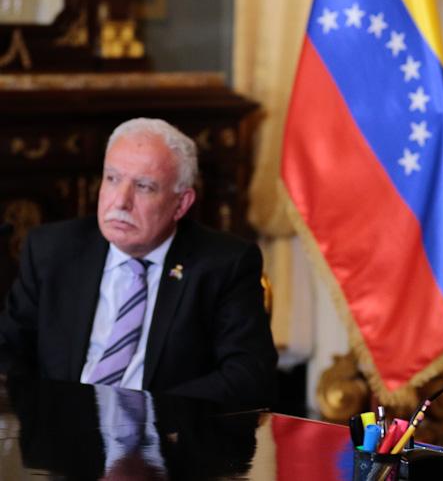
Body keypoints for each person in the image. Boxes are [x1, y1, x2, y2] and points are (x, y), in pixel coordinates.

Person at [0, 118, 277, 408]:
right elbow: (8, 349)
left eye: (144, 186)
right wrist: (44, 413)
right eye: (112, 179)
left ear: (181, 203)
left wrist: (146, 413)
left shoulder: (224, 264)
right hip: (60, 427)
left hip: (165, 430)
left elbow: (248, 376)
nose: (121, 201)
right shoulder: (53, 250)